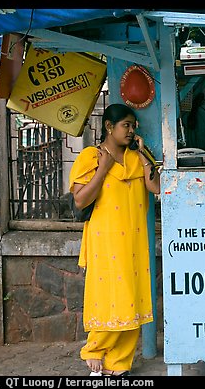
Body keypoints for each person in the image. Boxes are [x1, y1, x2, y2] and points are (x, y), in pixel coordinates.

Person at [69, 103, 161, 376]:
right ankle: (95, 349)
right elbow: (80, 199)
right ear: (109, 127)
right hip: (104, 239)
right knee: (107, 295)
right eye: (126, 125)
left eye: (134, 126)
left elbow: (155, 187)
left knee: (132, 295)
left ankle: (120, 361)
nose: (132, 131)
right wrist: (104, 168)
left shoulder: (136, 158)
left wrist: (144, 154)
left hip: (133, 239)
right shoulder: (91, 156)